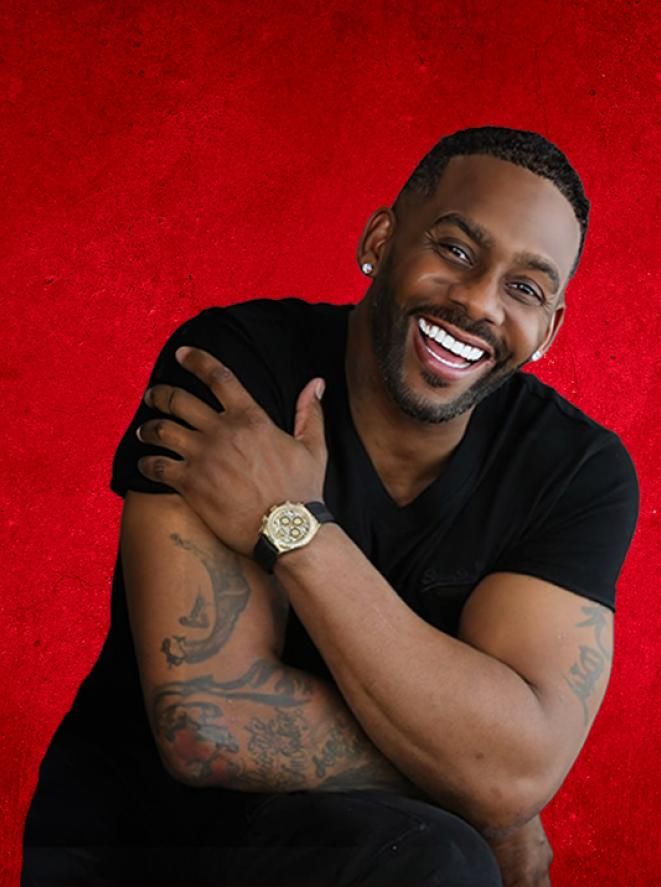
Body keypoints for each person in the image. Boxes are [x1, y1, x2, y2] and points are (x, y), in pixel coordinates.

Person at [22, 126, 639, 887]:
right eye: (454, 250)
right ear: (380, 238)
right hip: (142, 846)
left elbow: (517, 771)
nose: (477, 301)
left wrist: (293, 525)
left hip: (380, 849)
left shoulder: (575, 471)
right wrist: (477, 778)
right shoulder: (236, 368)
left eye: (524, 288)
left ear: (548, 328)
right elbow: (207, 724)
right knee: (440, 853)